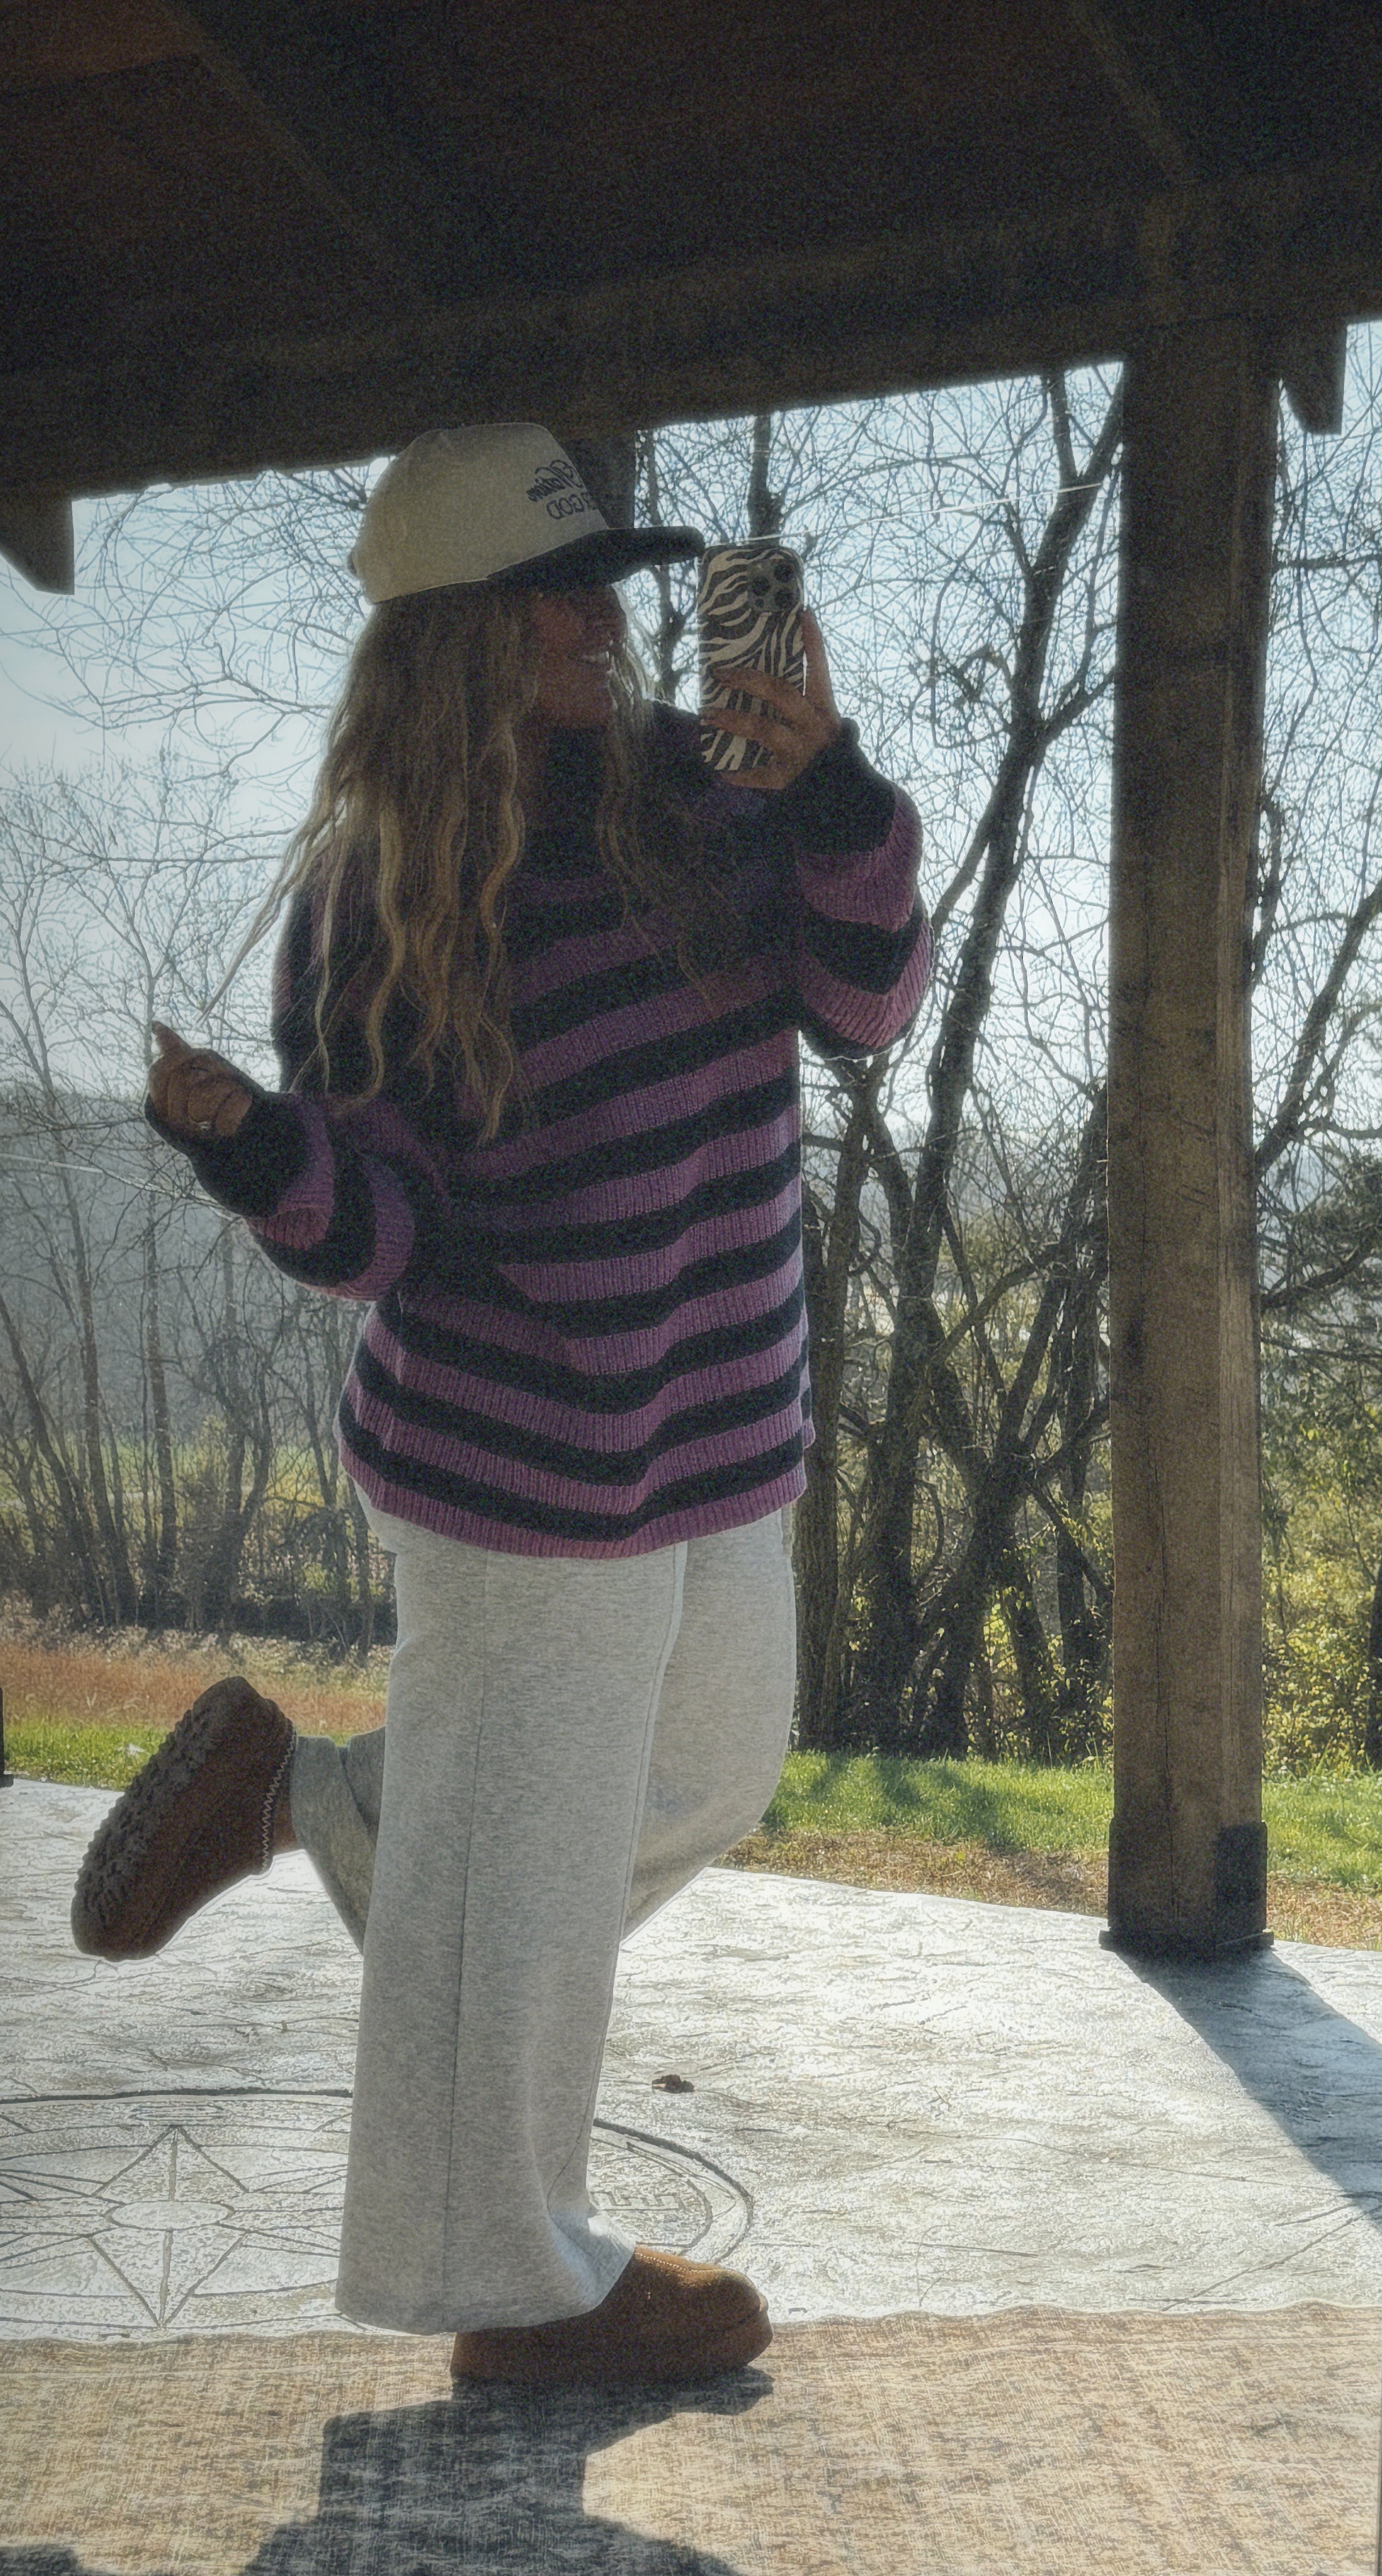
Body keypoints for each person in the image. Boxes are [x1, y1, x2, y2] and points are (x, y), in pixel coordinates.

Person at [71, 424, 930, 2386]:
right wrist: (255, 1149)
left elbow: (872, 1007)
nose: (603, 623)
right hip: (519, 1472)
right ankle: (515, 2289)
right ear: (459, 634)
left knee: (710, 1776)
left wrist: (833, 784)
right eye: (561, 594)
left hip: (718, 1426)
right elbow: (377, 1224)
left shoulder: (702, 802)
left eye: (606, 585)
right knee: (517, 1885)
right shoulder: (378, 896)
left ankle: (299, 1798)